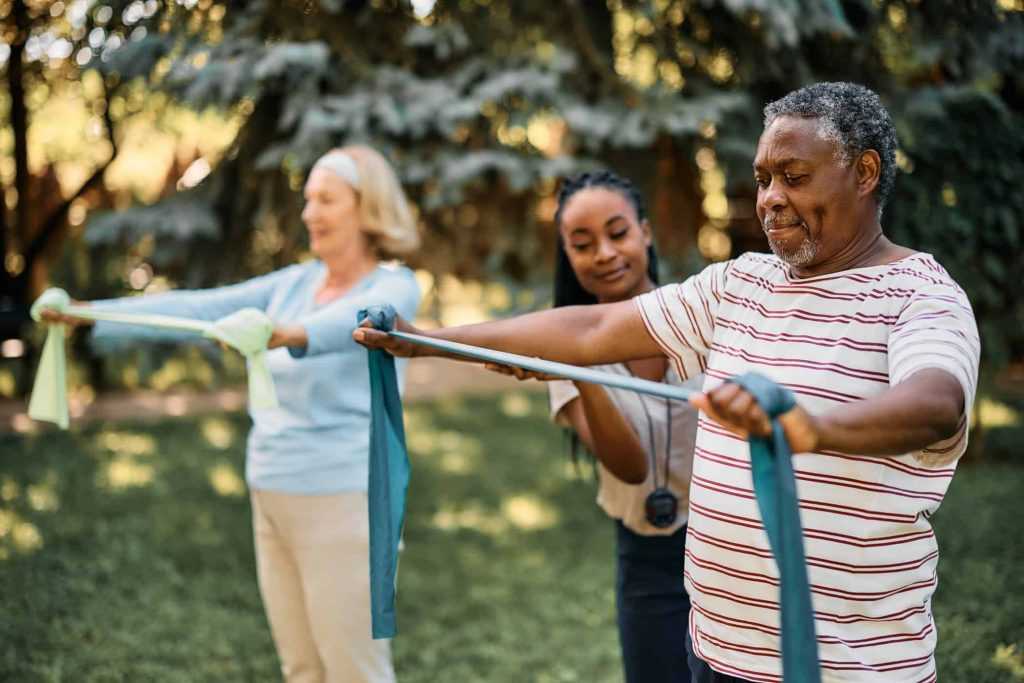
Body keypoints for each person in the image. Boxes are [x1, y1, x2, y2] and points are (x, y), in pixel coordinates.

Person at [354, 82, 980, 682]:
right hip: (714, 653)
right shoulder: (742, 284)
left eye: (794, 177)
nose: (768, 198)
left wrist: (809, 426)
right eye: (762, 179)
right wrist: (424, 336)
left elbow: (937, 404)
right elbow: (593, 330)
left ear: (865, 173)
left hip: (848, 667)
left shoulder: (921, 297)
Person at [42, 145, 422, 683]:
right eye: (308, 199)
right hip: (270, 490)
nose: (310, 213)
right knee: (301, 669)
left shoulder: (394, 285)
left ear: (367, 208)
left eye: (327, 200)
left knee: (355, 671)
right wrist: (85, 314)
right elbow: (199, 307)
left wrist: (285, 332)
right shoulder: (293, 284)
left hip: (344, 500)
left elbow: (363, 322)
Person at [489, 171, 701, 683]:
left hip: (730, 542)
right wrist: (580, 372)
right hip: (646, 561)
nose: (604, 253)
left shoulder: (701, 314)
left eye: (618, 233)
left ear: (645, 233)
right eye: (582, 244)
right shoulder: (561, 349)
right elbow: (629, 467)